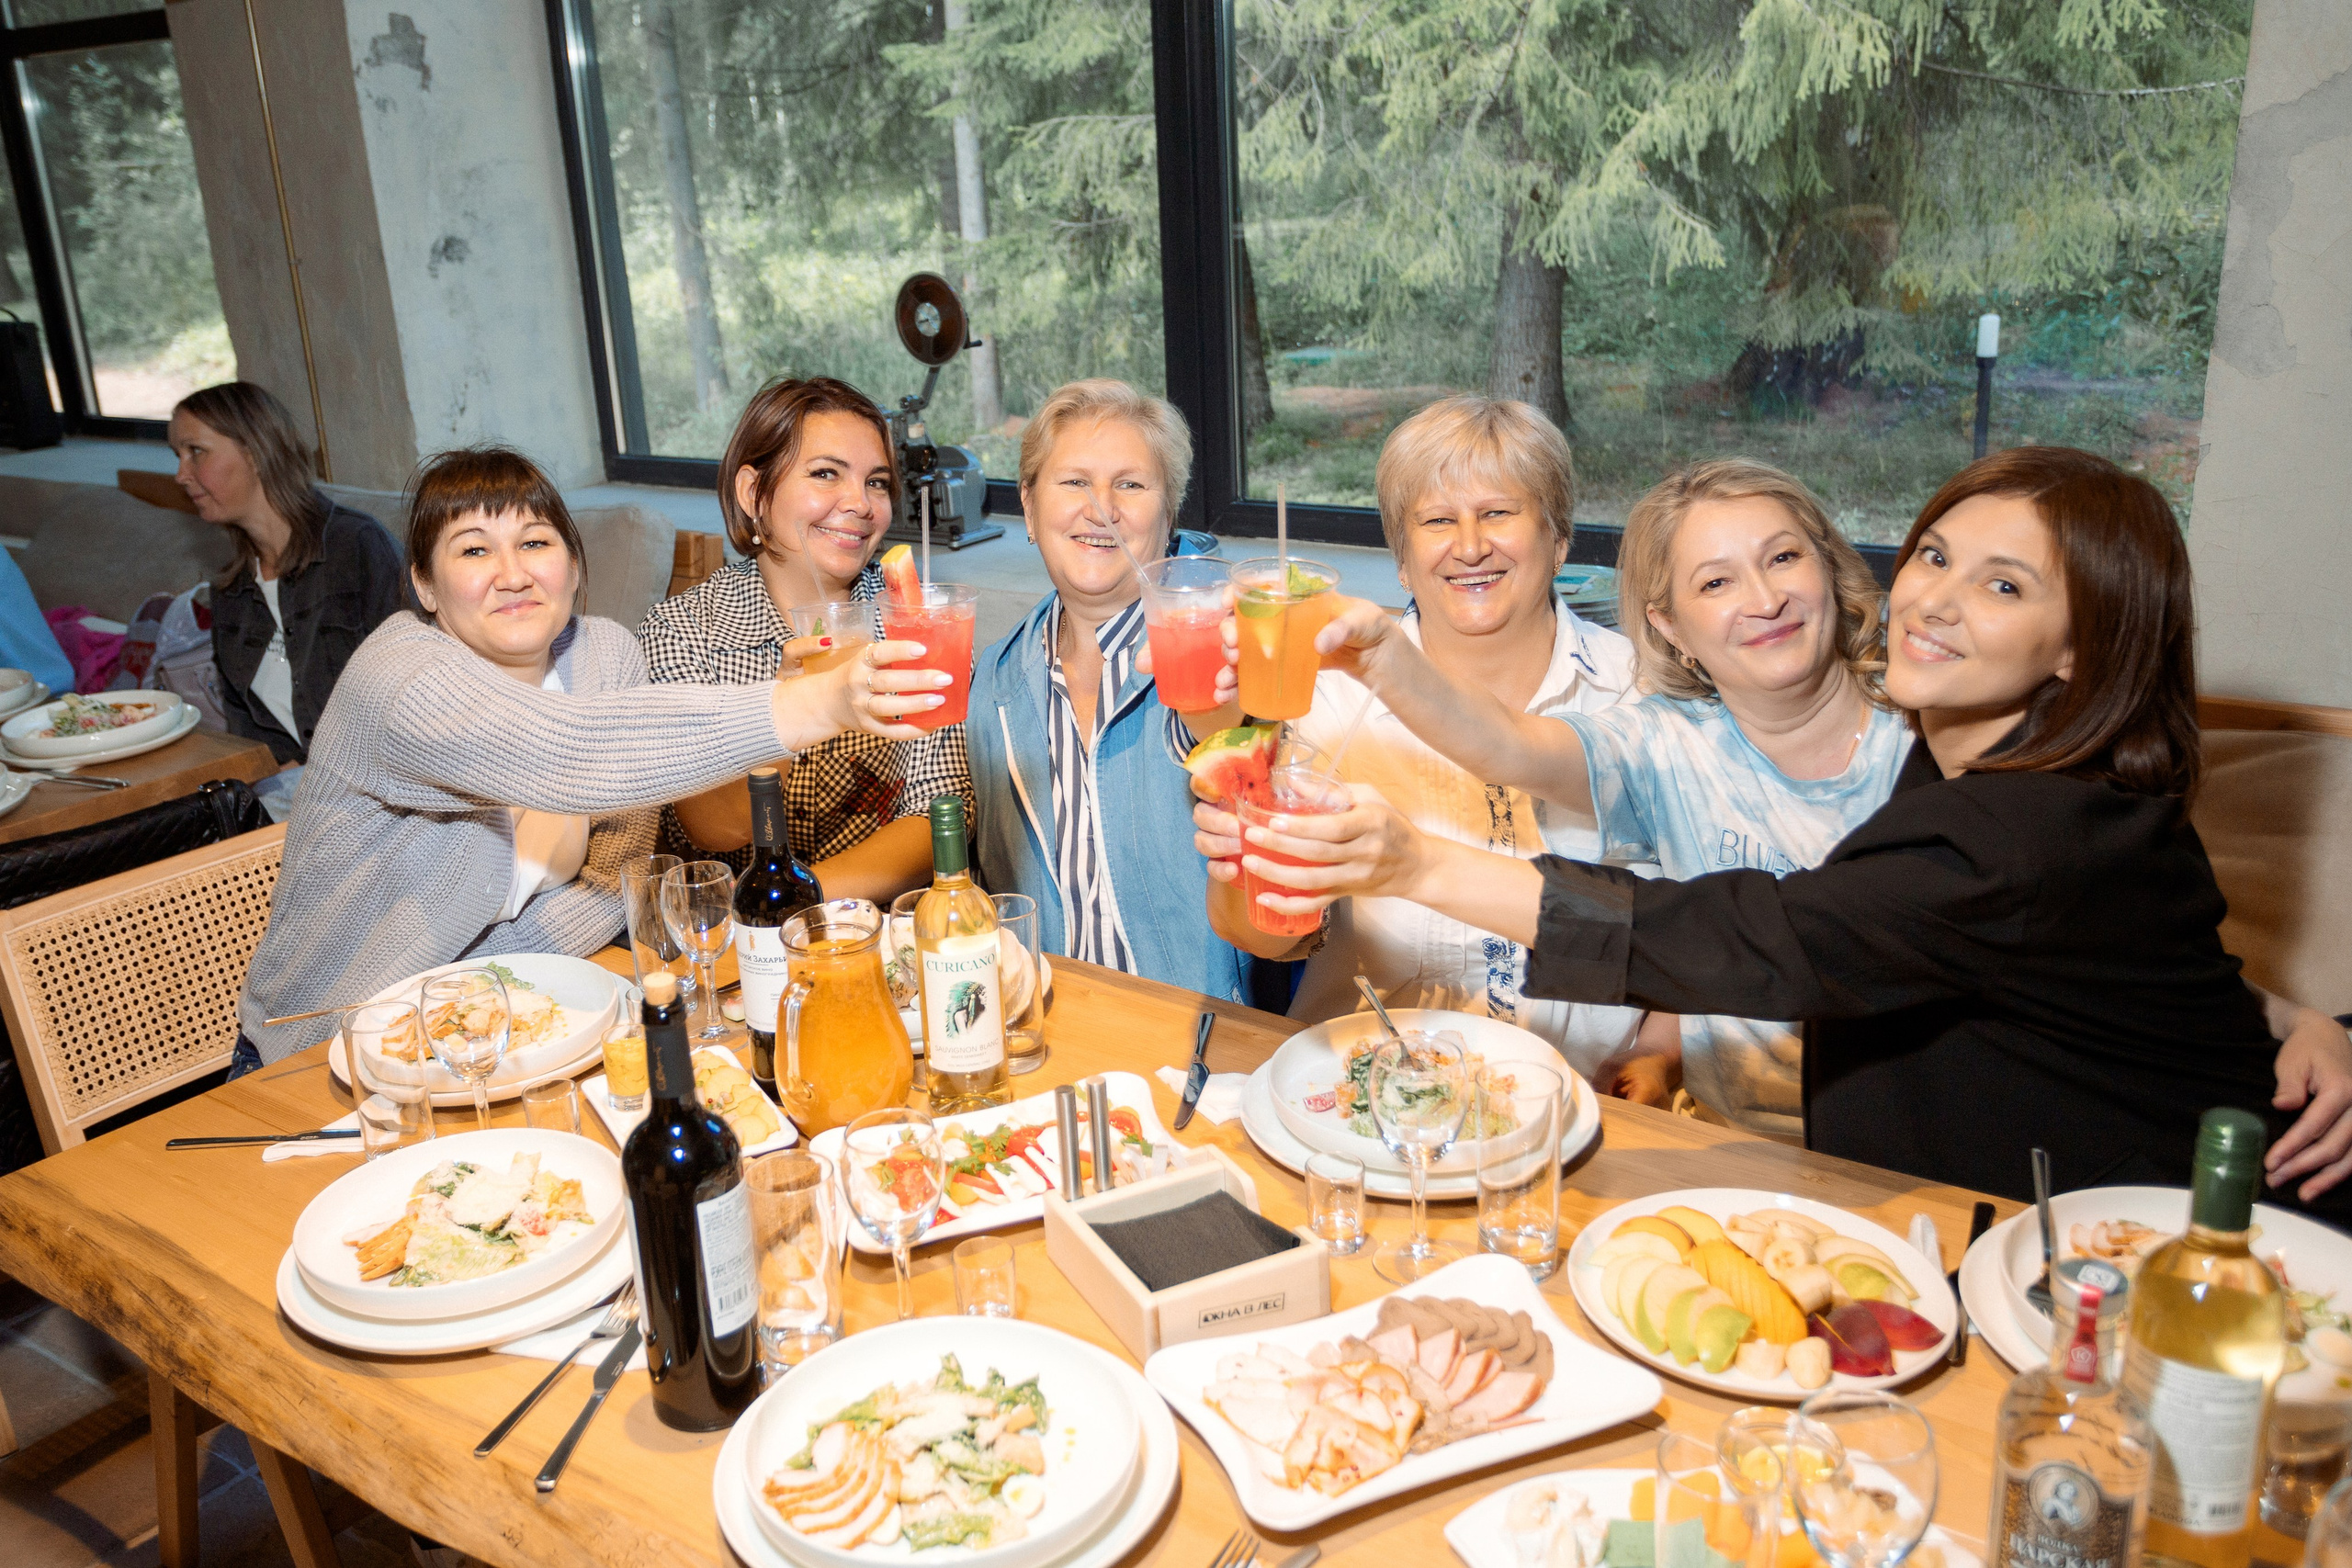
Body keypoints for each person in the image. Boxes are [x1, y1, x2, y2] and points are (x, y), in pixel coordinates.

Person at [1229, 447, 2352, 1208]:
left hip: (2191, 1224)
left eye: (2005, 588)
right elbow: (2105, 955)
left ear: (2082, 647)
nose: (1937, 600)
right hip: (1907, 1179)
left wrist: (1414, 858)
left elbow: (1758, 937)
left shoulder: (2003, 819)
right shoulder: (1954, 755)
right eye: (1934, 556)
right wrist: (2283, 1010)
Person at [1206, 457, 1905, 1134]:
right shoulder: (1665, 741)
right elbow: (1511, 745)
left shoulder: (1919, 753)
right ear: (1670, 625)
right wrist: (1380, 662)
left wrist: (1658, 1050)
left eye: (1782, 558)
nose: (1761, 598)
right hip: (1390, 1100)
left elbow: (1675, 933)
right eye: (1716, 581)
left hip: (1859, 1140)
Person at [235, 446, 945, 1070]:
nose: (512, 574)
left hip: (511, 1031)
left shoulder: (605, 655)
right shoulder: (395, 675)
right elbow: (569, 750)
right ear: (424, 584)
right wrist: (808, 705)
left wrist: (503, 995)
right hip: (325, 1050)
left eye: (536, 543)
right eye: (474, 550)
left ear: (574, 566)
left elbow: (619, 873)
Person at [1200, 395, 1646, 1074]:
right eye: (1438, 520)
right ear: (1403, 561)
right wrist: (1247, 855)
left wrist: (1664, 1051)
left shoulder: (1638, 696)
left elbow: (1708, 917)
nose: (1470, 545)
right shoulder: (1326, 697)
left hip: (1586, 1097)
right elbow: (1265, 939)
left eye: (1498, 512)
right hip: (1361, 1088)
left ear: (1560, 541)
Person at [964, 378, 1251, 998]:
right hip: (1048, 1039)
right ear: (1029, 508)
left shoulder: (1221, 653)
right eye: (1073, 482)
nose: (1101, 508)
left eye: (1130, 483)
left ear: (1168, 513)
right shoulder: (993, 678)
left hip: (1200, 1052)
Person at [639, 377, 972, 902]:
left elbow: (938, 816)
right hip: (729, 946)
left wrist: (801, 903)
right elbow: (716, 829)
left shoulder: (918, 625)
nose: (861, 504)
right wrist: (786, 714)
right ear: (754, 493)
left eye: (878, 483)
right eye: (825, 474)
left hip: (871, 931)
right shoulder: (682, 633)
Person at [169, 382, 406, 764]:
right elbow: (247, 736)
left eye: (196, 452)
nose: (181, 475)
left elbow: (418, 693)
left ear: (256, 453)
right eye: (177, 455)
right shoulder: (230, 590)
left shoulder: (356, 545)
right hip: (285, 796)